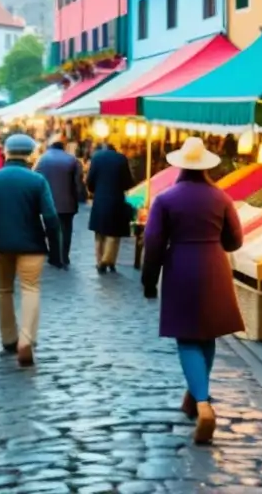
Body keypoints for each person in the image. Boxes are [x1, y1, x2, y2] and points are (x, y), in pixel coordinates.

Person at [140, 137, 244, 445]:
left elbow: (154, 243)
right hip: (214, 267)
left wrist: (148, 280)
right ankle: (194, 395)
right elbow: (235, 241)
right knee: (207, 336)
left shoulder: (165, 199)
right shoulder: (221, 198)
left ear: (180, 164)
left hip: (181, 267)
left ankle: (202, 404)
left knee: (187, 339)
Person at [0, 134, 61, 367]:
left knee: (3, 290)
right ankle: (26, 340)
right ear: (30, 155)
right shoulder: (37, 181)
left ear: (7, 153)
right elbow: (51, 217)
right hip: (32, 245)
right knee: (30, 288)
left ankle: (9, 338)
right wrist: (55, 249)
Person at [35, 134, 85, 269]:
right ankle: (65, 256)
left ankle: (54, 256)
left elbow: (35, 179)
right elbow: (79, 183)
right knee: (66, 229)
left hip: (47, 203)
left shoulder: (42, 159)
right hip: (68, 203)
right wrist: (77, 196)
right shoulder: (72, 160)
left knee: (51, 229)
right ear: (64, 148)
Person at [86, 140, 135, 273]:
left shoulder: (96, 158)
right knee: (114, 232)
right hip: (117, 199)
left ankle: (100, 260)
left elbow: (90, 180)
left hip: (100, 198)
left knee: (99, 233)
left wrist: (94, 190)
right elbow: (128, 182)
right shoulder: (122, 159)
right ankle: (109, 260)